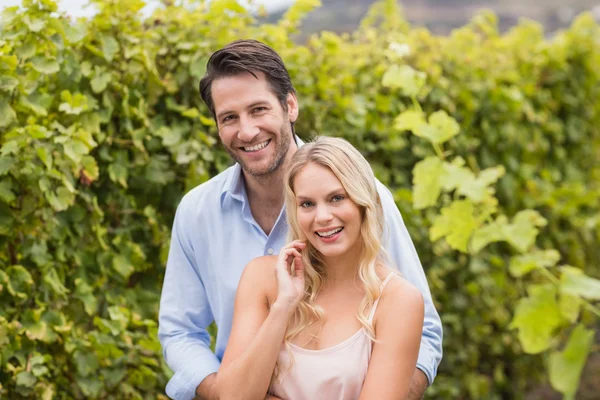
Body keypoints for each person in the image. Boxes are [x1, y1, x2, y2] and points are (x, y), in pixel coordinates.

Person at [158, 39, 442, 400]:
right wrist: (225, 392)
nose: (246, 131)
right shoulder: (197, 213)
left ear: (289, 105)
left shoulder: (369, 200)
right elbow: (180, 331)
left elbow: (423, 333)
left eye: (258, 109)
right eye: (229, 117)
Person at [216, 136, 425, 400]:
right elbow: (231, 397)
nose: (322, 217)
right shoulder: (262, 278)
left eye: (337, 198)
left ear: (363, 202)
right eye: (307, 204)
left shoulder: (398, 300)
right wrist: (283, 306)